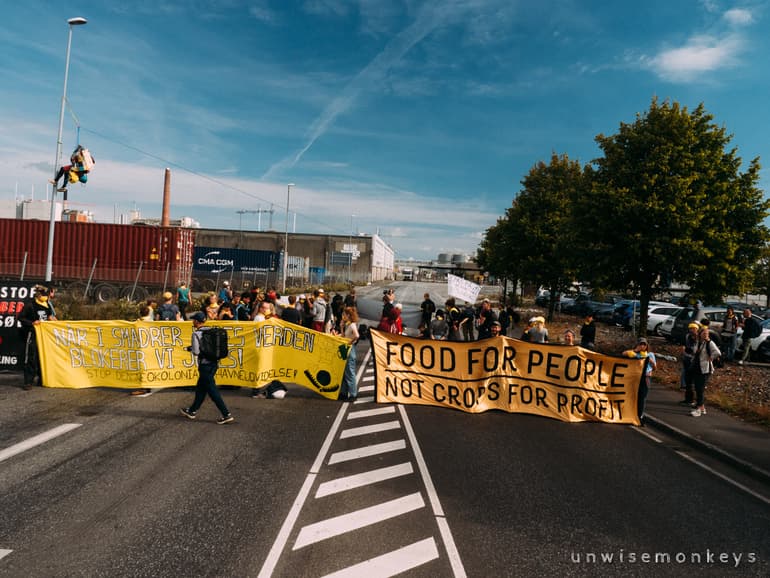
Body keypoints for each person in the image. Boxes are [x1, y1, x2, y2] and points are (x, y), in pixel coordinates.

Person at [180, 312, 234, 424]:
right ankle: (192, 410)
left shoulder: (196, 334)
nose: (192, 321)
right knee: (200, 388)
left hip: (204, 365)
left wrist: (191, 348)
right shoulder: (212, 331)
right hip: (214, 363)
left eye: (193, 319)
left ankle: (226, 414)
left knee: (212, 390)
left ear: (197, 321)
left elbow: (196, 352)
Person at [19, 285, 57, 389]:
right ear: (38, 295)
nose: (46, 297)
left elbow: (49, 316)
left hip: (45, 336)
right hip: (33, 334)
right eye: (44, 295)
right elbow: (21, 318)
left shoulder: (46, 304)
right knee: (31, 357)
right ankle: (28, 382)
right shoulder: (30, 305)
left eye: (46, 295)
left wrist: (58, 323)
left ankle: (42, 379)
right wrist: (32, 323)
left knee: (43, 357)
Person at [623, 337, 656, 424]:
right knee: (633, 395)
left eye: (644, 344)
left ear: (647, 346)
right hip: (636, 378)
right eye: (641, 344)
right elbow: (624, 354)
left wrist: (651, 362)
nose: (642, 346)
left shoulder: (650, 354)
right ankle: (631, 413)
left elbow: (655, 368)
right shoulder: (635, 354)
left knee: (642, 397)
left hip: (646, 378)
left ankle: (640, 415)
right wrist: (635, 350)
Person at [690, 326, 721, 417]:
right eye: (704, 333)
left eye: (707, 333)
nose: (706, 335)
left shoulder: (709, 343)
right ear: (700, 334)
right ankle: (701, 406)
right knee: (697, 387)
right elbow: (695, 352)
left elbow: (717, 352)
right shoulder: (699, 342)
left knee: (700, 389)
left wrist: (711, 358)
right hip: (697, 367)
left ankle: (700, 408)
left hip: (705, 369)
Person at [339, 306, 360, 401]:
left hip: (350, 349)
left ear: (348, 315)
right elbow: (343, 336)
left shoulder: (352, 325)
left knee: (350, 372)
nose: (343, 316)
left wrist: (350, 343)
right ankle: (344, 393)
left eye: (344, 314)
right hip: (345, 348)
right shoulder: (348, 324)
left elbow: (356, 335)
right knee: (344, 372)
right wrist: (341, 327)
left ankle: (353, 394)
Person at [679, 322, 700, 406]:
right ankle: (687, 399)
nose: (691, 330)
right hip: (687, 358)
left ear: (697, 329)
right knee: (687, 379)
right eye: (690, 328)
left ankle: (693, 400)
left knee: (692, 380)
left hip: (694, 360)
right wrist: (683, 350)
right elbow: (684, 344)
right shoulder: (687, 336)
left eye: (693, 329)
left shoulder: (698, 338)